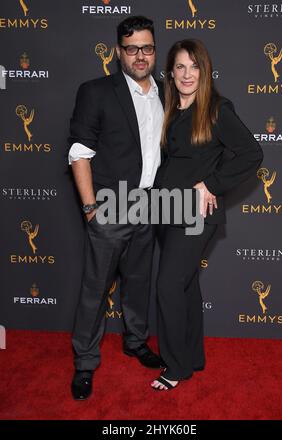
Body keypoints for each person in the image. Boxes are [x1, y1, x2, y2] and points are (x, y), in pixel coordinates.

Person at [151, 39, 264, 390]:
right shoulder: (171, 108)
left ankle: (174, 367)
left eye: (194, 66)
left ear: (205, 71)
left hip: (195, 214)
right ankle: (192, 358)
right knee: (185, 287)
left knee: (169, 286)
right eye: (180, 67)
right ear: (170, 72)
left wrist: (212, 184)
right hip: (166, 210)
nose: (187, 74)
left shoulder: (216, 109)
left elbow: (252, 153)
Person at [68, 16, 165, 400]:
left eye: (147, 47)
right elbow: (79, 153)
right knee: (95, 289)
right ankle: (85, 362)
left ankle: (135, 341)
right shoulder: (96, 91)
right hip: (109, 207)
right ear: (117, 52)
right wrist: (91, 208)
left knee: (138, 283)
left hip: (150, 204)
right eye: (132, 48)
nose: (140, 55)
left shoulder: (165, 90)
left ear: (154, 50)